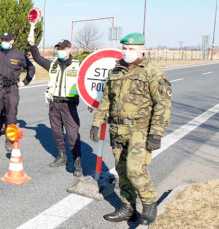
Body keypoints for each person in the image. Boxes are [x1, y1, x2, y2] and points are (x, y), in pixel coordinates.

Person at [90, 33, 172, 225]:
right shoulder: (116, 71)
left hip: (140, 131)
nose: (127, 52)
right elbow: (106, 100)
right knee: (122, 171)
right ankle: (128, 207)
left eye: (132, 49)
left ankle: (149, 204)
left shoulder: (153, 73)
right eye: (124, 48)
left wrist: (156, 134)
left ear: (142, 50)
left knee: (135, 170)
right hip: (117, 129)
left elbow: (163, 105)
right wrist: (96, 122)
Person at [27, 34, 82, 177]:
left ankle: (77, 161)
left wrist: (92, 102)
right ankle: (62, 156)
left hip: (69, 105)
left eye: (63, 48)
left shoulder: (78, 66)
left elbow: (89, 84)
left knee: (72, 134)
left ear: (70, 49)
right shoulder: (52, 65)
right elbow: (38, 59)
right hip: (54, 104)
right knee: (56, 132)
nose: (60, 51)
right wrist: (33, 46)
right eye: (58, 48)